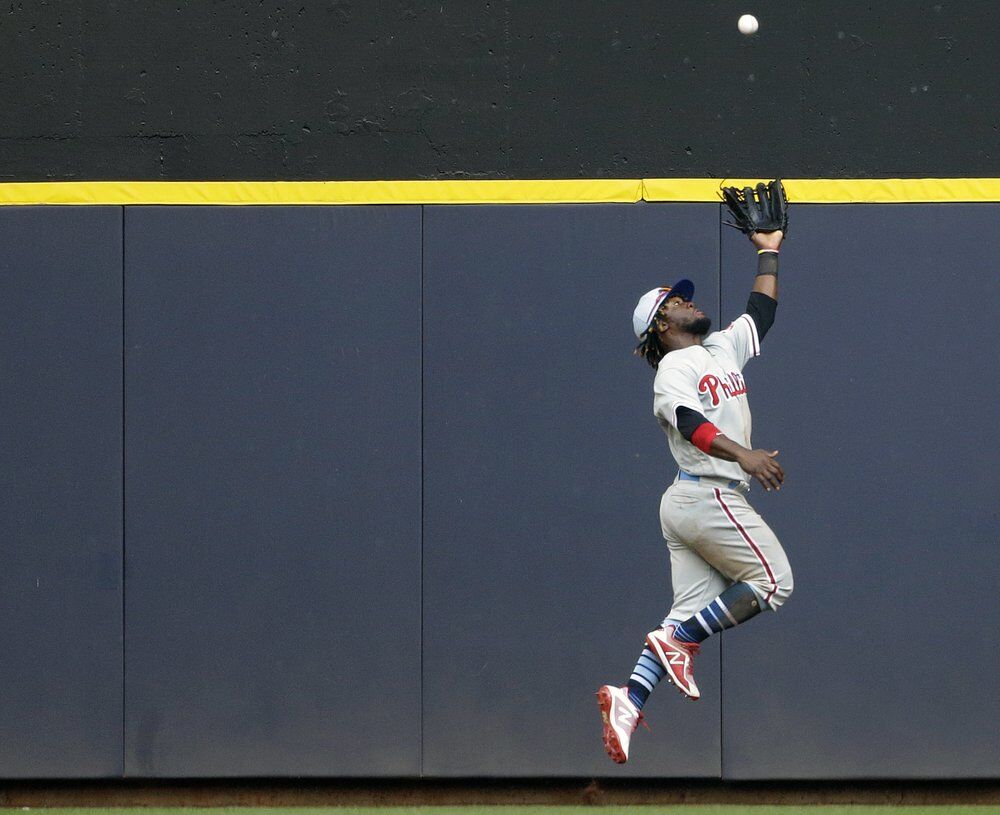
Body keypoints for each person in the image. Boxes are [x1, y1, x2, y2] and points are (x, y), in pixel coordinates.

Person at [596, 227, 793, 765]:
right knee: (772, 582)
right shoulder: (672, 368)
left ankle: (628, 700)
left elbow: (762, 312)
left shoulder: (721, 347)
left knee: (687, 610)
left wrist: (768, 250)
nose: (689, 300)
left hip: (690, 501)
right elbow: (688, 422)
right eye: (677, 301)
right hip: (709, 490)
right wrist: (744, 455)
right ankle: (682, 639)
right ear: (662, 325)